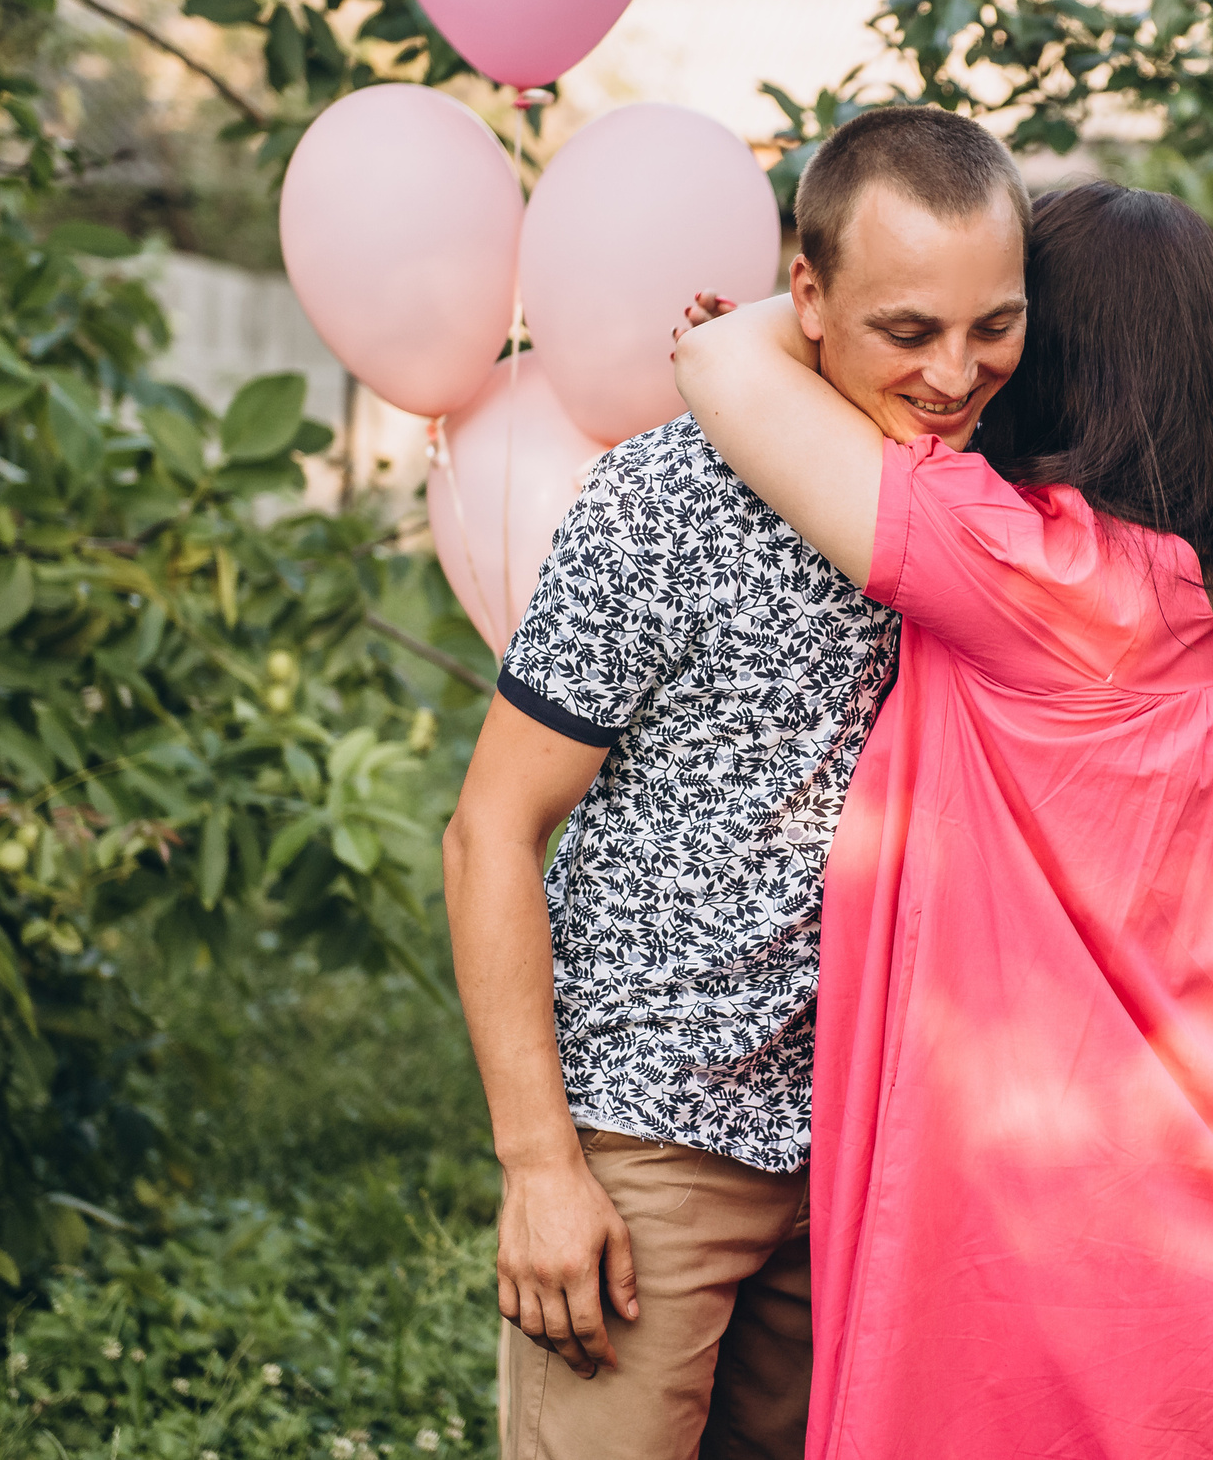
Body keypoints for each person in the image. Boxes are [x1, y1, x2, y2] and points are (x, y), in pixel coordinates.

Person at [672, 181, 1213, 1458]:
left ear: (1057, 360)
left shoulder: (1026, 567)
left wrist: (810, 318)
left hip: (1063, 1238)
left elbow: (715, 360)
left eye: (1007, 323)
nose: (976, 359)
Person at [438, 104, 1032, 1460]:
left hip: (865, 1154)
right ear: (806, 297)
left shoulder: (987, 508)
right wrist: (540, 1165)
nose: (955, 372)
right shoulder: (661, 504)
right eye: (908, 331)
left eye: (991, 325)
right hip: (653, 1141)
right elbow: (490, 833)